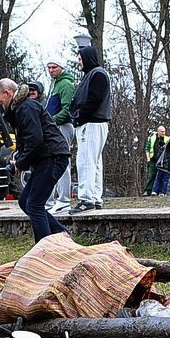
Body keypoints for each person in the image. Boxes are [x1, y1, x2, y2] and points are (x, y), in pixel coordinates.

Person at [0, 78, 70, 242]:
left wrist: (21, 163)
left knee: (34, 204)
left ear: (8, 93)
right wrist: (18, 157)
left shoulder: (26, 107)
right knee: (25, 201)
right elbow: (27, 139)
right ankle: (62, 235)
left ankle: (44, 251)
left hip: (52, 157)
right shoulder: (20, 109)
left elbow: (35, 140)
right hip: (47, 157)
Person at [68, 45, 111, 213]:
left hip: (92, 123)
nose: (79, 62)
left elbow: (94, 99)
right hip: (94, 123)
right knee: (94, 161)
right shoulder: (93, 74)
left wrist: (80, 115)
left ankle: (86, 199)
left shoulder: (97, 74)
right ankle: (95, 197)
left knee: (86, 161)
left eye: (80, 58)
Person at [44, 60, 77, 215]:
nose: (51, 70)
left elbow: (67, 109)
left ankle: (64, 200)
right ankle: (53, 200)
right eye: (49, 67)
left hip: (62, 127)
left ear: (61, 68)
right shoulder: (55, 84)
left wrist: (50, 122)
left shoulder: (65, 84)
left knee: (63, 162)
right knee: (54, 162)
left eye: (54, 67)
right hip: (55, 128)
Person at [144, 126, 170, 196]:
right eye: (162, 131)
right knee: (151, 176)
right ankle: (148, 190)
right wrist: (148, 159)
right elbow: (147, 149)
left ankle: (160, 191)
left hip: (162, 161)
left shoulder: (167, 139)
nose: (163, 133)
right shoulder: (152, 138)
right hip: (153, 160)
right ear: (158, 131)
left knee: (162, 176)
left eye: (164, 131)